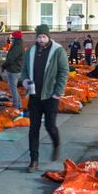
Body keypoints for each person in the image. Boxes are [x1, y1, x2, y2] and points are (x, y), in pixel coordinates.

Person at [21, 24, 69, 173]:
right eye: (39, 37)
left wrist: (58, 91)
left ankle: (56, 143)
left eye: (43, 36)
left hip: (50, 96)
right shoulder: (30, 51)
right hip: (34, 96)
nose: (41, 39)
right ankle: (33, 160)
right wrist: (24, 80)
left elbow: (63, 71)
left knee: (50, 126)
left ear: (48, 37)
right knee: (33, 128)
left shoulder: (57, 51)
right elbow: (24, 70)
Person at [2, 30, 24, 109]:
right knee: (13, 87)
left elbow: (11, 59)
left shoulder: (17, 46)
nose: (11, 39)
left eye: (12, 37)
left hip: (13, 70)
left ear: (15, 38)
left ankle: (16, 105)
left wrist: (4, 66)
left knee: (13, 88)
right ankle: (18, 104)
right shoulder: (18, 45)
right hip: (15, 69)